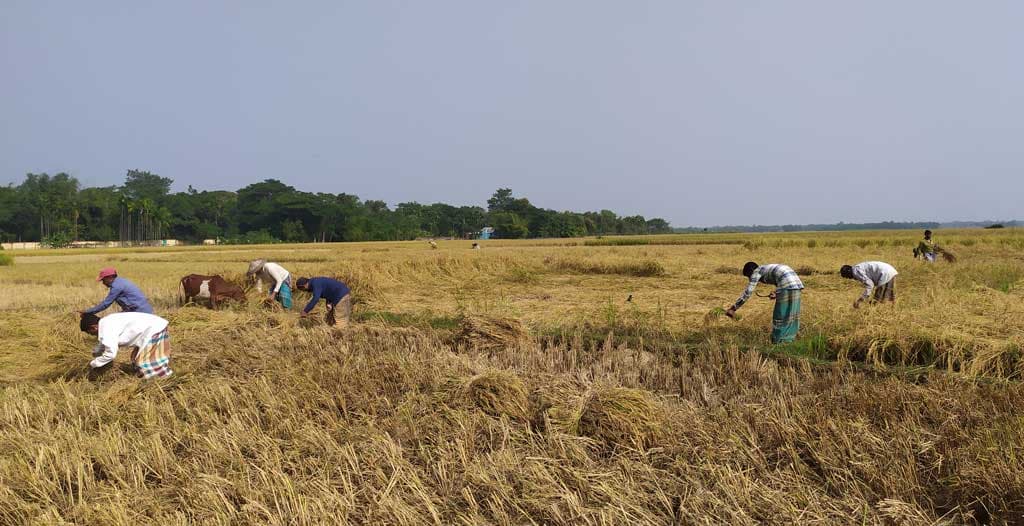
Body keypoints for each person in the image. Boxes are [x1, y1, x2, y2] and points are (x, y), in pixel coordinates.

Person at [725, 262, 804, 344]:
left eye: (749, 276)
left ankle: (779, 341)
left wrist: (733, 308)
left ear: (751, 271)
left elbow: (748, 292)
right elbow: (781, 278)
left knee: (780, 315)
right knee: (792, 314)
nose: (750, 278)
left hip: (786, 284)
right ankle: (790, 340)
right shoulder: (764, 268)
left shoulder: (756, 272)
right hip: (796, 284)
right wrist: (776, 293)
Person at [79, 312, 173, 379]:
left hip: (152, 329)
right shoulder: (106, 321)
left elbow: (111, 354)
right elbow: (104, 344)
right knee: (134, 358)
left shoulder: (106, 329)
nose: (91, 335)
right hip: (149, 328)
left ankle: (162, 379)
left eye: (89, 332)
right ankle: (148, 376)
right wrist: (95, 353)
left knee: (144, 363)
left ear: (93, 327)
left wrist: (93, 363)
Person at [77, 267, 154, 316]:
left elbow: (105, 304)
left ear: (110, 277)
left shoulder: (117, 286)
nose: (103, 283)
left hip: (140, 312)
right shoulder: (121, 281)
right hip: (138, 310)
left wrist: (88, 312)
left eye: (103, 280)